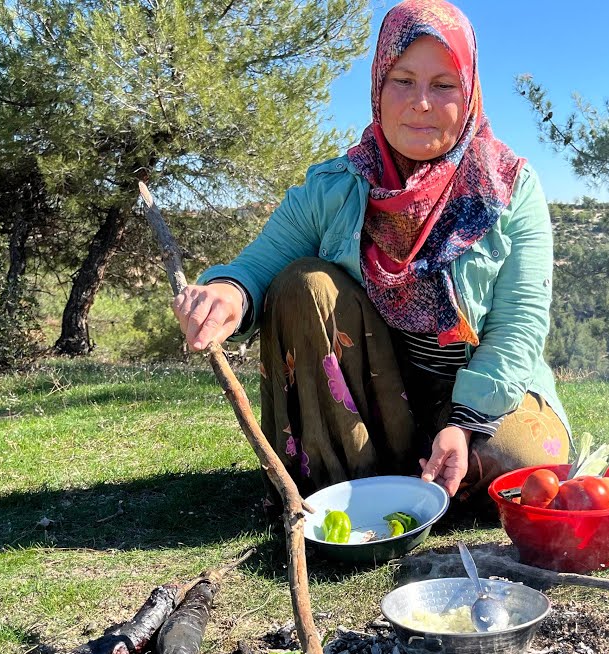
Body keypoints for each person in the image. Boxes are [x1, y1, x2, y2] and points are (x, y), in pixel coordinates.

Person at [172, 0, 570, 505]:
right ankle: (350, 477)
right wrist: (226, 294)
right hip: (377, 406)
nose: (421, 102)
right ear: (378, 87)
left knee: (532, 466)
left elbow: (519, 327)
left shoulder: (510, 188)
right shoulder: (336, 187)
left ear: (469, 92)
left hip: (480, 402)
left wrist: (464, 427)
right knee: (303, 284)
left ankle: (421, 472)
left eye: (443, 84)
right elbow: (257, 265)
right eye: (403, 80)